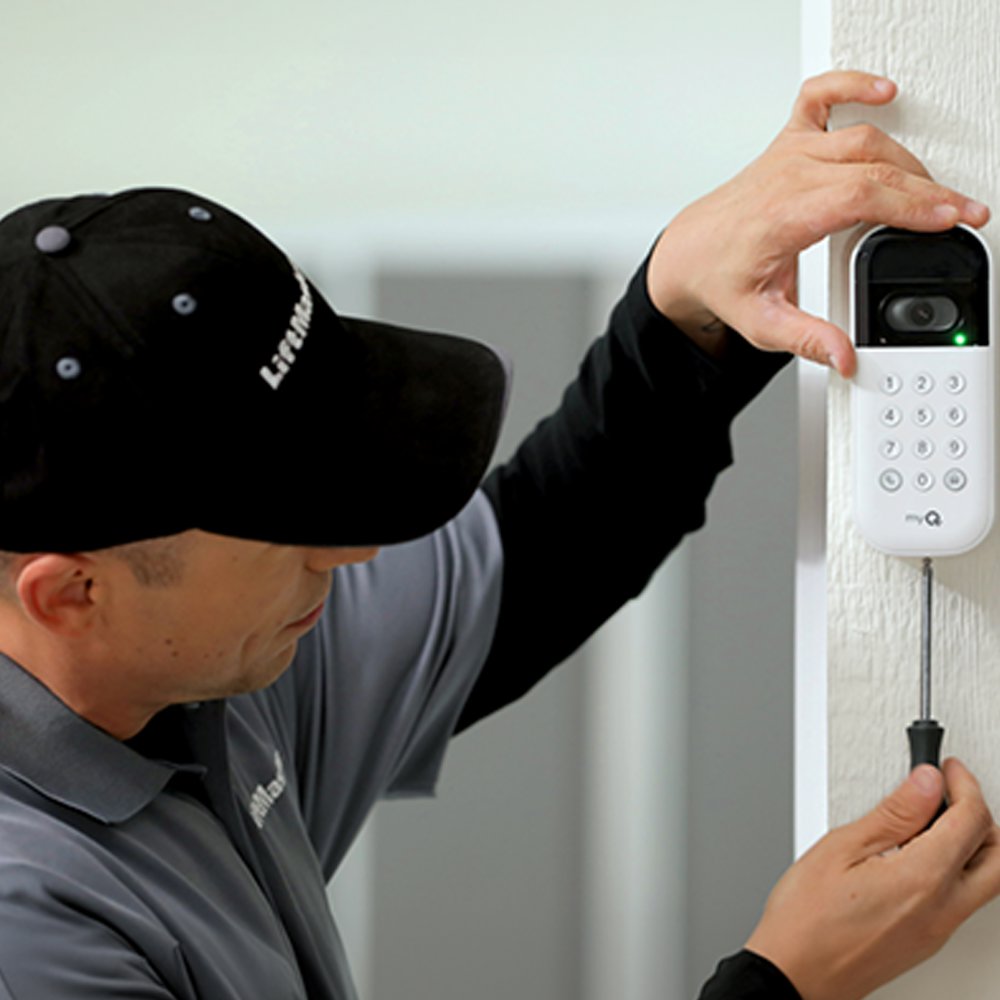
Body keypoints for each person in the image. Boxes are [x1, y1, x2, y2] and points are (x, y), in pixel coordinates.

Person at [0, 69, 996, 1000]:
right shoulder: (29, 929)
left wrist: (681, 310)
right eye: (294, 529)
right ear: (71, 593)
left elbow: (531, 562)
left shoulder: (198, 668)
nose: (352, 556)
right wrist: (783, 983)